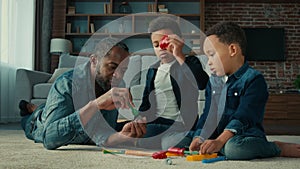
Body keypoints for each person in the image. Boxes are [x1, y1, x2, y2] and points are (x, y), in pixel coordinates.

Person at [189, 21, 300, 159]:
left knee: (235, 149)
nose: (209, 62)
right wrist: (199, 137)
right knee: (183, 139)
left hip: (243, 136)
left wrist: (220, 141)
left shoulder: (254, 79)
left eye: (212, 54)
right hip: (217, 134)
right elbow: (208, 114)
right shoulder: (213, 81)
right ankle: (217, 146)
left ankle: (276, 147)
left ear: (233, 50)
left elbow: (244, 115)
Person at [19, 37, 146, 150]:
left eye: (123, 70)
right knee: (31, 118)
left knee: (48, 108)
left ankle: (37, 107)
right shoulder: (66, 83)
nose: (118, 75)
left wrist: (120, 136)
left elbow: (102, 129)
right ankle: (32, 110)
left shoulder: (118, 83)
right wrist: (96, 104)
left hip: (65, 114)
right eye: (112, 67)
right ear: (94, 60)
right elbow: (50, 138)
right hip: (35, 124)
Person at [136, 16, 209, 149]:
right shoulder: (153, 70)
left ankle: (163, 141)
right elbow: (145, 104)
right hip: (157, 123)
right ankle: (157, 140)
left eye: (166, 42)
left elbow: (202, 83)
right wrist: (140, 119)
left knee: (164, 142)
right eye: (156, 45)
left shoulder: (189, 62)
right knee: (131, 130)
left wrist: (179, 55)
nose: (161, 48)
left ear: (179, 41)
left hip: (181, 125)